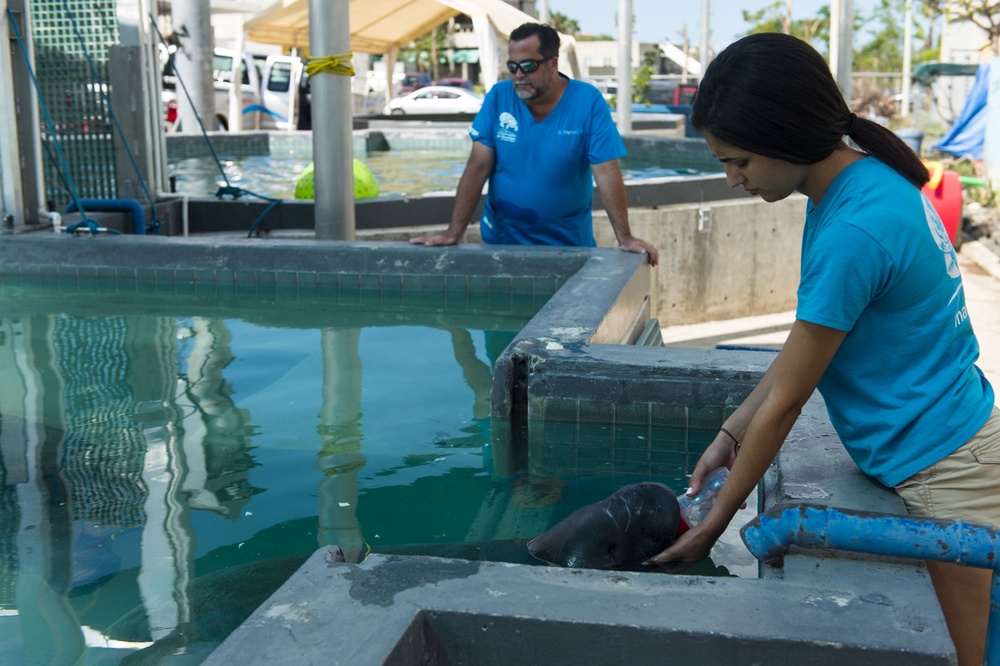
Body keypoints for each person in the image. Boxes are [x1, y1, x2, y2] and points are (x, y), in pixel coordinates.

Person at [648, 33, 998, 666]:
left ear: (784, 137)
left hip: (951, 471)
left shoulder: (854, 229)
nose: (732, 180)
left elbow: (787, 401)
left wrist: (716, 521)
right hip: (951, 440)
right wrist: (729, 436)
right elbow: (804, 347)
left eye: (740, 162)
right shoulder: (858, 184)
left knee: (965, 657)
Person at [409, 22, 658, 267]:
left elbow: (605, 172)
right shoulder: (499, 96)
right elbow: (477, 168)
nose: (518, 75)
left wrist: (624, 237)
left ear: (553, 63)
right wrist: (454, 232)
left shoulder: (587, 101)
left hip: (569, 247)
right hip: (500, 244)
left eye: (528, 66)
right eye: (513, 66)